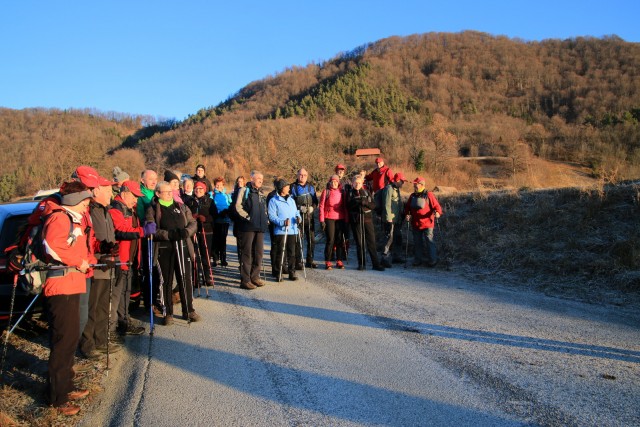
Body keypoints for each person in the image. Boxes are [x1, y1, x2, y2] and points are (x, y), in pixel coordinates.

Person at [42, 181, 93, 416]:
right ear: (75, 201)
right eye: (85, 202)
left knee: (70, 338)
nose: (86, 206)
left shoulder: (73, 219)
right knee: (63, 341)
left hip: (72, 284)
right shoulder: (60, 218)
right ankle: (57, 397)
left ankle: (67, 386)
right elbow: (52, 246)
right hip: (61, 286)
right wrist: (78, 261)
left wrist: (87, 260)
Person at [78, 169, 121, 360]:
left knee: (104, 305)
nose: (111, 194)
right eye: (107, 190)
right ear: (96, 191)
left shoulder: (105, 210)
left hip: (107, 263)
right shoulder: (91, 210)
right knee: (92, 307)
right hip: (95, 265)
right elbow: (89, 238)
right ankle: (88, 345)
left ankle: (102, 341)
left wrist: (111, 248)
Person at [146, 181, 201, 324]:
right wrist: (168, 235)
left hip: (182, 245)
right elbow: (152, 230)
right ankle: (167, 312)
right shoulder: (153, 209)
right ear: (158, 194)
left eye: (171, 191)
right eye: (167, 192)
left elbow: (193, 222)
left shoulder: (181, 206)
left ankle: (188, 309)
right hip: (164, 248)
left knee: (185, 278)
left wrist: (186, 232)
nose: (171, 194)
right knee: (166, 280)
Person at [109, 180, 149, 336]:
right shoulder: (116, 209)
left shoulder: (129, 209)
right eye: (134, 196)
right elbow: (120, 230)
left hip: (129, 260)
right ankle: (112, 330)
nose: (136, 200)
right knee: (116, 296)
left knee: (125, 293)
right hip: (120, 260)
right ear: (124, 192)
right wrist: (142, 231)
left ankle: (124, 322)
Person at [234, 171, 268, 289]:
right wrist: (248, 217)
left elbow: (265, 209)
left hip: (260, 227)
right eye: (258, 178)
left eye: (261, 179)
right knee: (247, 253)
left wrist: (266, 219)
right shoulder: (244, 190)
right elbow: (238, 206)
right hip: (248, 227)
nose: (260, 180)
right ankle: (245, 280)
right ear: (252, 179)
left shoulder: (262, 193)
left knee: (258, 253)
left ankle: (255, 277)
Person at [346, 175, 385, 271]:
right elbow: (348, 206)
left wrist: (366, 203)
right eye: (355, 183)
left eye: (359, 183)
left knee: (371, 242)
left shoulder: (367, 192)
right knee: (360, 243)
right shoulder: (350, 193)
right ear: (352, 183)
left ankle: (375, 264)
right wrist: (357, 202)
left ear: (362, 183)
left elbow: (373, 205)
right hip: (356, 220)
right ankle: (361, 264)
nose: (357, 184)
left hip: (367, 220)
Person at [404, 177, 443, 267]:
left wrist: (438, 213)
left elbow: (437, 206)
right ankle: (418, 260)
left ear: (421, 185)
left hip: (427, 223)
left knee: (429, 241)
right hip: (416, 223)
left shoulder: (429, 195)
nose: (414, 185)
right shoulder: (412, 196)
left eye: (416, 184)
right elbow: (408, 208)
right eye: (414, 184)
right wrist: (407, 214)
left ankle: (432, 260)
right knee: (417, 242)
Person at [268, 179, 300, 281]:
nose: (289, 188)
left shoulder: (291, 200)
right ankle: (279, 272)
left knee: (292, 253)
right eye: (287, 186)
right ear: (282, 188)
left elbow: (296, 213)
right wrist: (282, 222)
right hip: (281, 231)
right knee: (280, 252)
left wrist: (299, 218)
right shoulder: (273, 200)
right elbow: (272, 216)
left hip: (292, 230)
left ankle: (292, 272)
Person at [186, 180, 214, 286]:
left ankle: (207, 277)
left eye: (200, 188)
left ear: (205, 190)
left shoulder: (210, 201)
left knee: (206, 255)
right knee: (195, 255)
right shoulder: (189, 201)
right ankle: (196, 277)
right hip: (194, 231)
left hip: (206, 231)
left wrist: (205, 218)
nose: (198, 190)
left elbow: (213, 216)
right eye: (196, 188)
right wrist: (191, 217)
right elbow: (185, 215)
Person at [137, 169, 158, 313]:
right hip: (146, 236)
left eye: (155, 178)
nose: (154, 181)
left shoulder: (155, 193)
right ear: (142, 180)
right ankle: (148, 301)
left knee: (156, 268)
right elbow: (139, 215)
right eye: (151, 179)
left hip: (157, 235)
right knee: (149, 268)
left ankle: (154, 297)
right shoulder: (140, 195)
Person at [290, 168, 318, 269]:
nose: (302, 176)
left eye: (304, 175)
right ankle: (298, 262)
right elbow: (290, 202)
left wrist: (312, 208)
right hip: (298, 217)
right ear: (297, 175)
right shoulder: (292, 187)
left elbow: (315, 201)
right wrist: (299, 208)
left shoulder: (311, 187)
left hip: (309, 217)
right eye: (300, 175)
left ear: (307, 175)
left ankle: (309, 261)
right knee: (298, 240)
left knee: (311, 240)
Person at [318, 175, 348, 270]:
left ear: (338, 182)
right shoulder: (326, 192)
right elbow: (321, 206)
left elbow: (345, 207)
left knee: (339, 240)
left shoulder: (342, 192)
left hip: (340, 218)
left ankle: (339, 260)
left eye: (336, 181)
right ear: (329, 182)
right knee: (330, 240)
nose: (334, 183)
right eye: (332, 181)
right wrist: (322, 220)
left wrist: (346, 220)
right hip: (329, 217)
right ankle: (328, 260)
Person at [380, 172, 407, 266]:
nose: (403, 183)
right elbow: (386, 204)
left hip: (397, 219)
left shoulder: (397, 189)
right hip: (390, 219)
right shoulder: (389, 188)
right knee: (389, 238)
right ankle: (385, 258)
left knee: (398, 237)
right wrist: (388, 218)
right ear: (398, 180)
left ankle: (397, 256)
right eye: (402, 181)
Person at [211, 177, 232, 267]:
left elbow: (230, 205)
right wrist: (218, 213)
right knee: (215, 240)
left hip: (225, 220)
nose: (218, 186)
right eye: (217, 184)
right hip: (215, 220)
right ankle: (215, 258)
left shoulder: (227, 195)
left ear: (223, 185)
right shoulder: (212, 194)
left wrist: (226, 212)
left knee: (223, 240)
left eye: (220, 184)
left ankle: (223, 259)